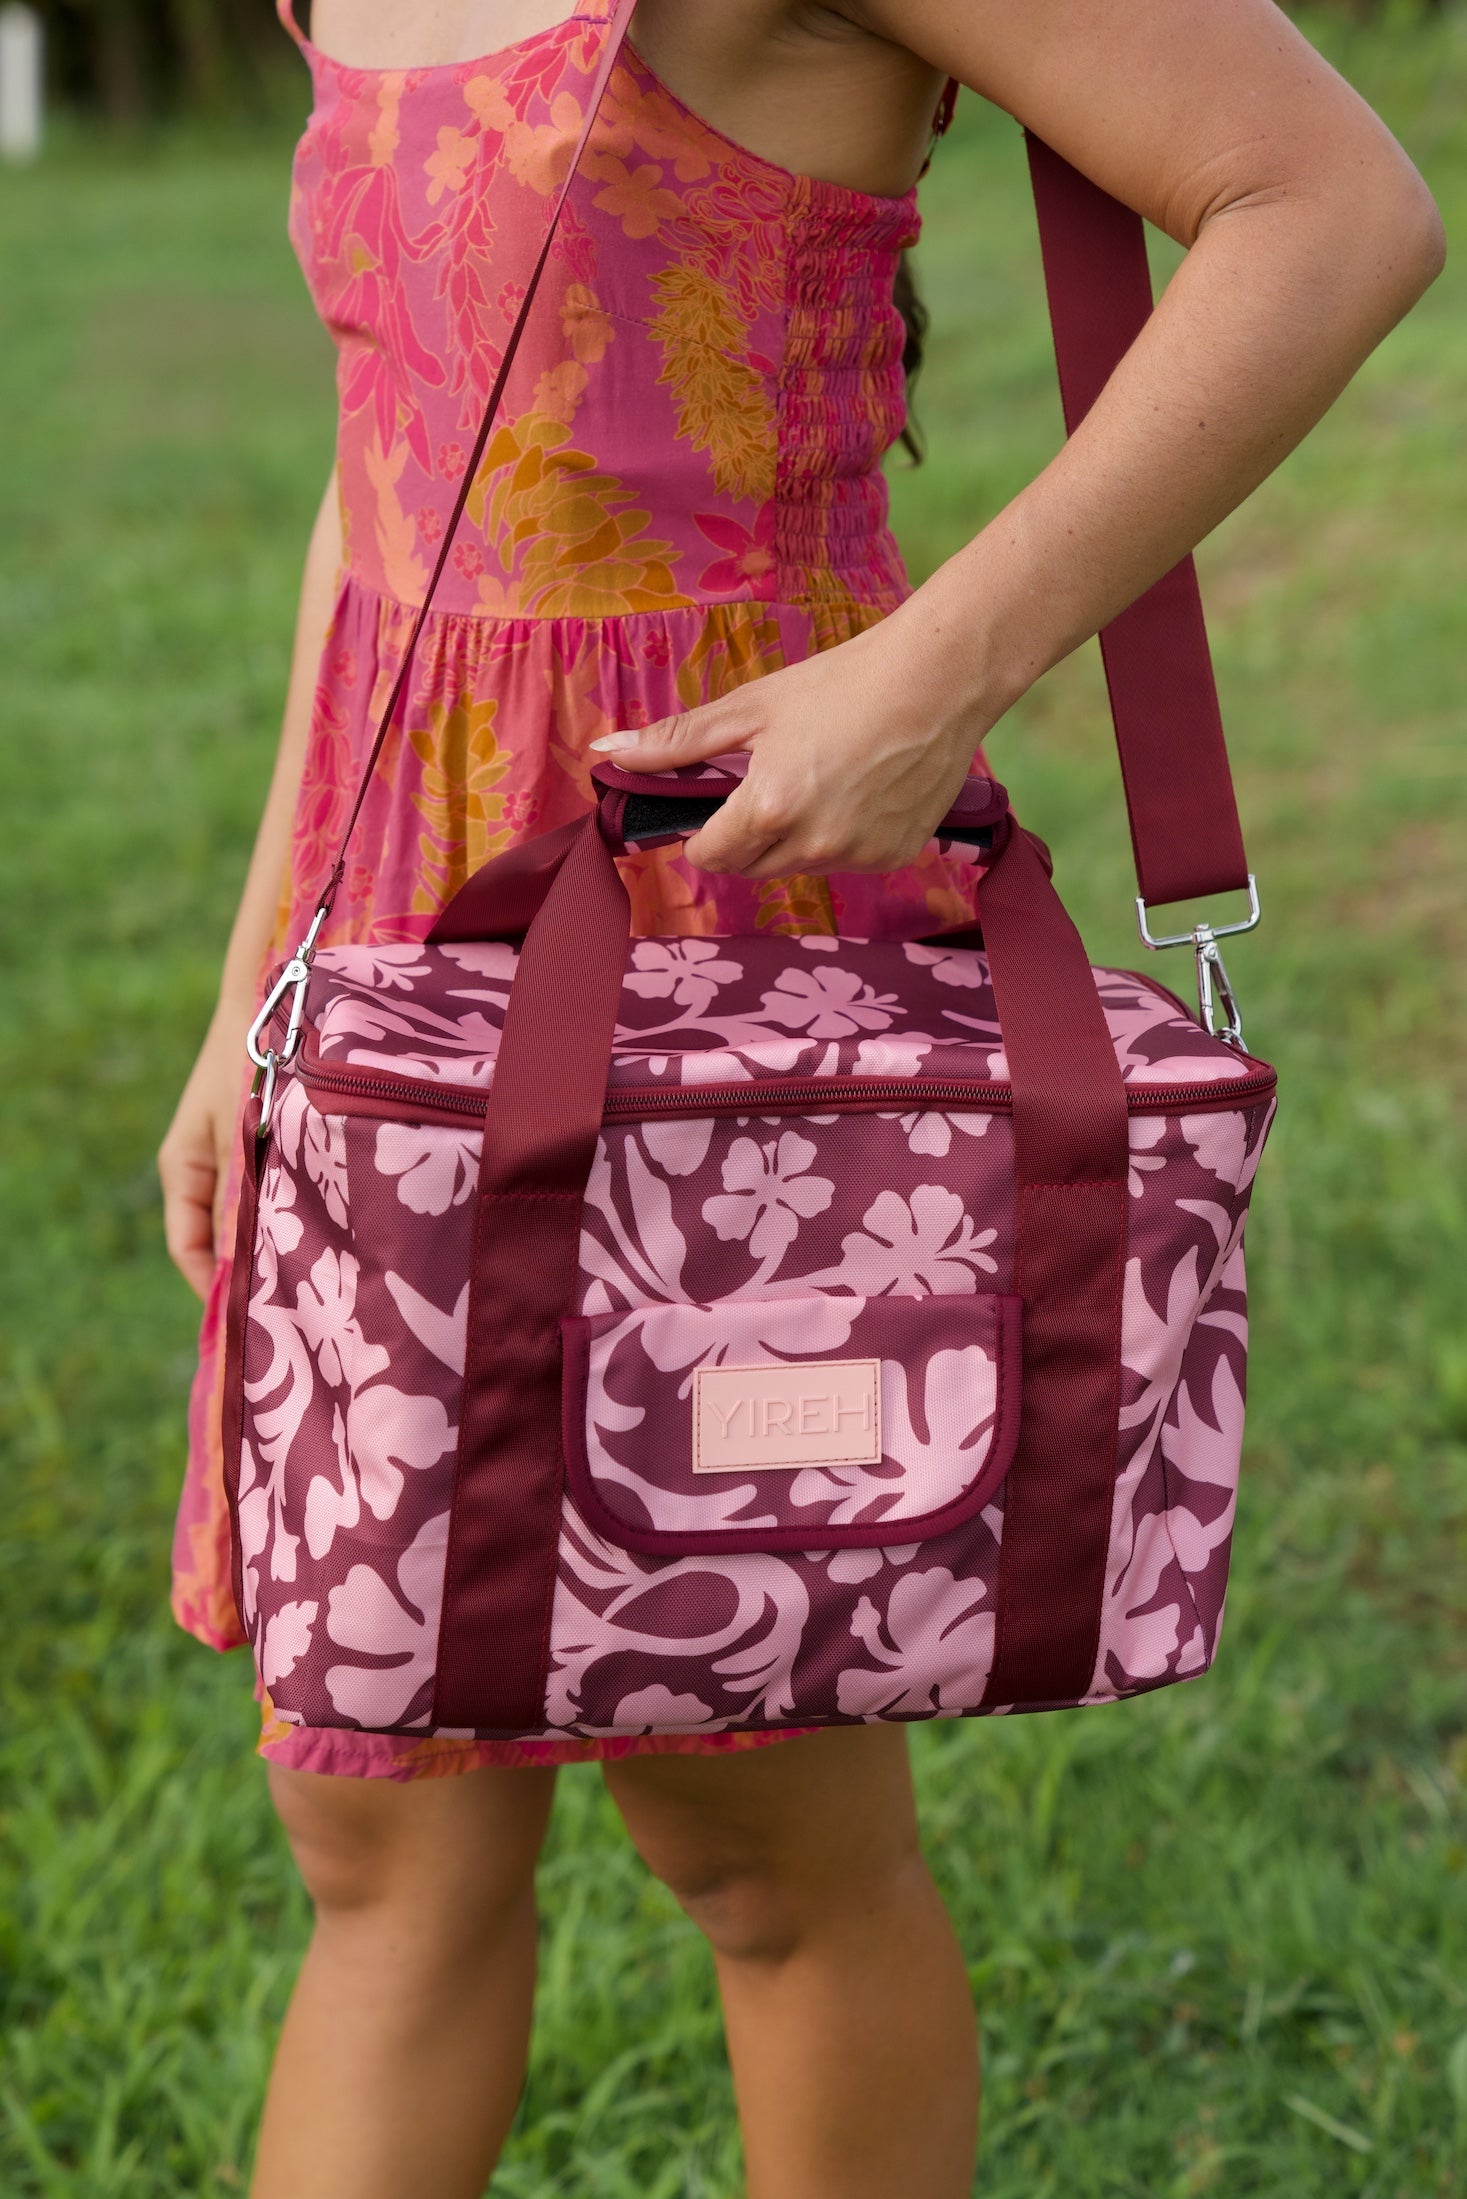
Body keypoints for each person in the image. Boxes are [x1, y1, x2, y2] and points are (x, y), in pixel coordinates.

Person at [157, 3, 1442, 2193]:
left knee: (757, 1830)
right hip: (399, 940)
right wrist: (251, 980)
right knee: (373, 1820)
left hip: (720, 919)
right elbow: (388, 475)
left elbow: (1328, 210)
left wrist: (934, 674)